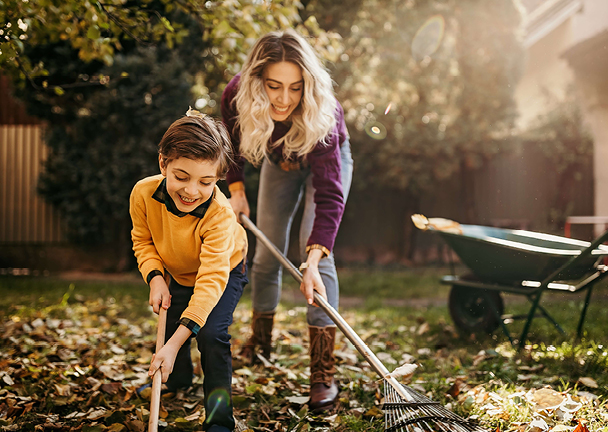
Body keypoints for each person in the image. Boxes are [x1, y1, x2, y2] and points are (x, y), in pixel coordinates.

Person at [220, 29, 353, 412]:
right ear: (257, 80)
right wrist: (237, 191)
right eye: (274, 86)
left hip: (325, 159)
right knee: (265, 255)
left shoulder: (324, 112)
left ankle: (322, 374)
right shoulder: (236, 94)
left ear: (307, 85)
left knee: (319, 261)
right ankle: (260, 345)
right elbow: (230, 146)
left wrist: (310, 262)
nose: (284, 99)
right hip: (281, 162)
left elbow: (329, 195)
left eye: (296, 88)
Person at [130, 109, 248, 432]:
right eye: (181, 176)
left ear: (217, 179)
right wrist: (155, 278)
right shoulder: (142, 194)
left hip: (223, 269)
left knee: (210, 335)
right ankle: (178, 379)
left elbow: (210, 282)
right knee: (172, 317)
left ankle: (220, 420)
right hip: (175, 268)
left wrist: (173, 345)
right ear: (162, 164)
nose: (192, 190)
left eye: (206, 182)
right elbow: (143, 241)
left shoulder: (220, 216)